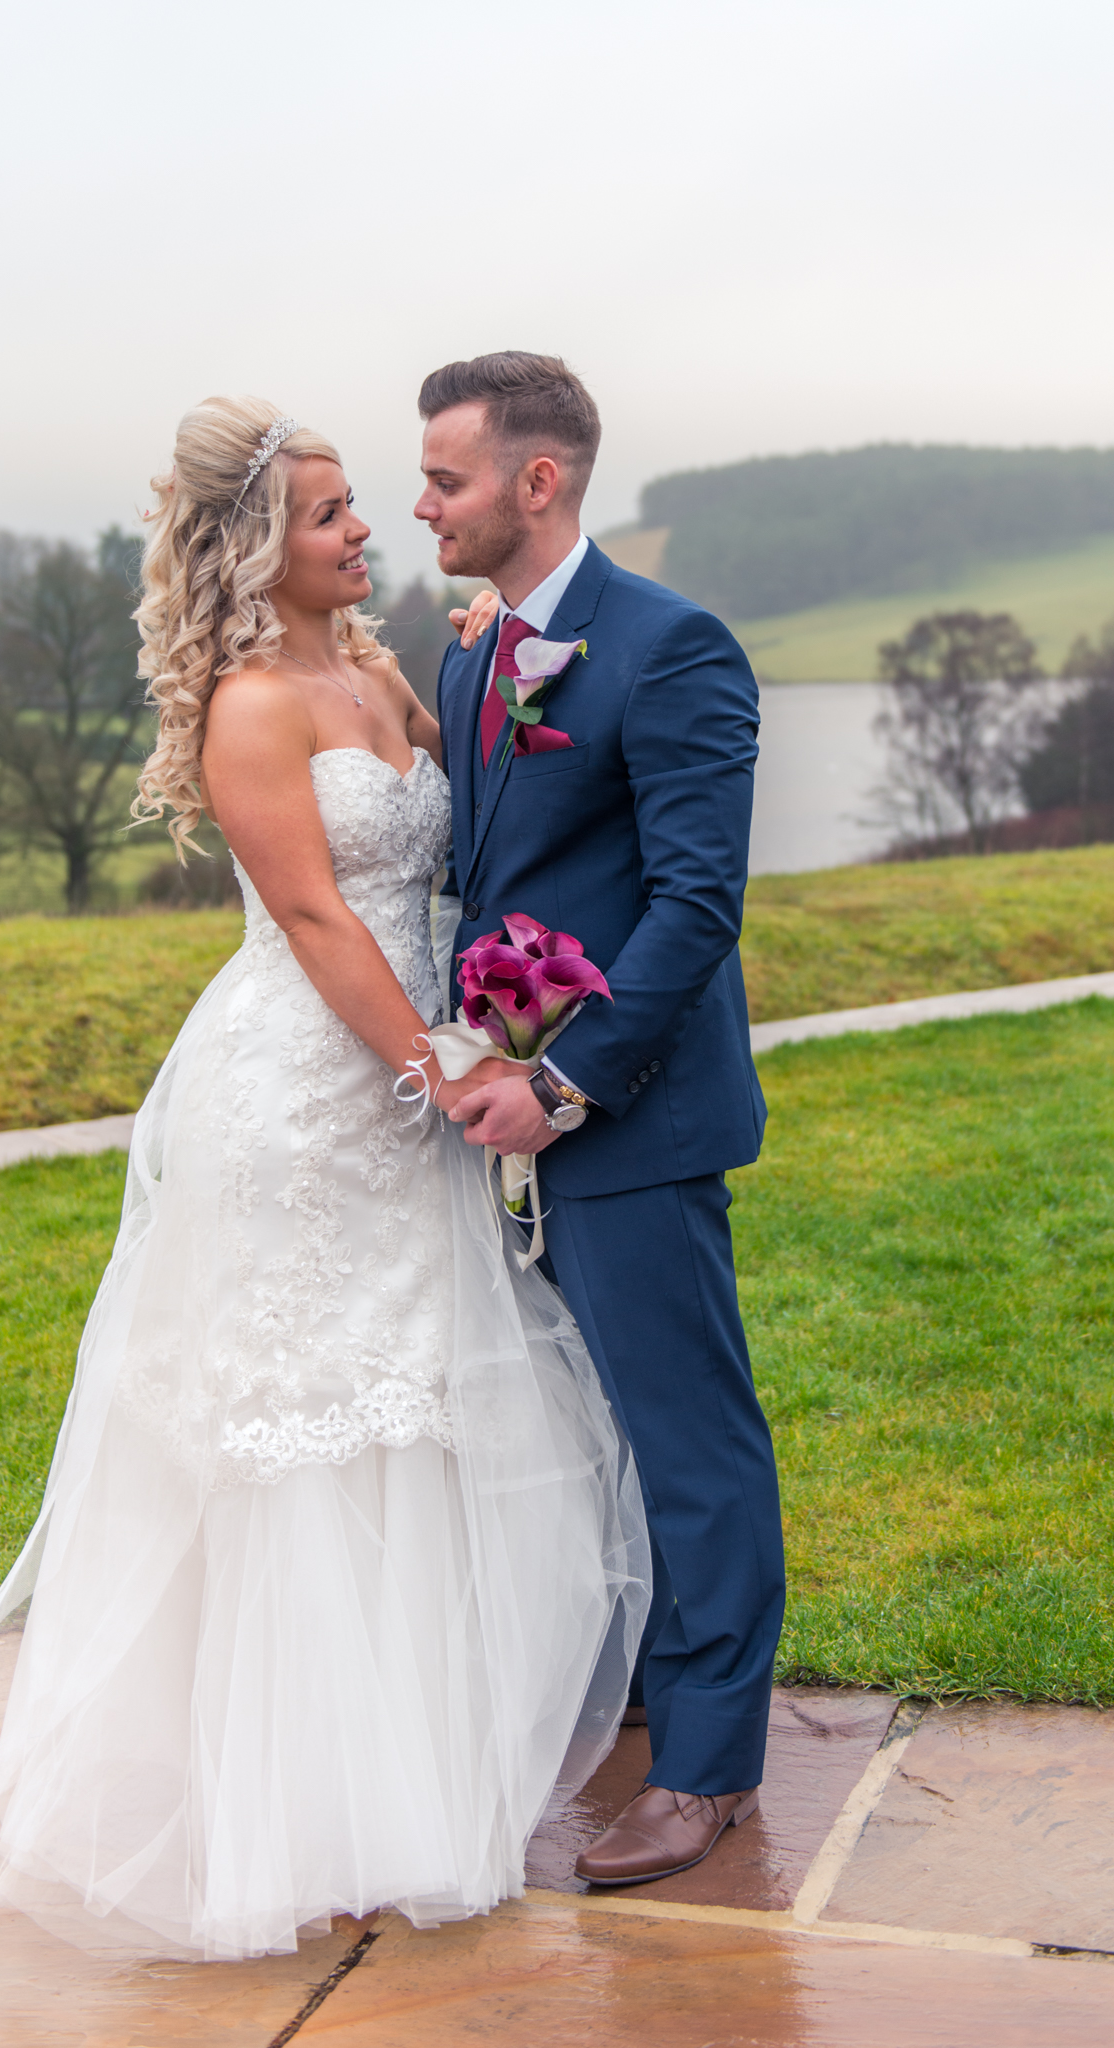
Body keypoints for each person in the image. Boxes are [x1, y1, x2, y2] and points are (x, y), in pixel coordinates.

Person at [0, 396, 648, 1961]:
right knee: (303, 1442)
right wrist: (443, 1066)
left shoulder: (385, 671)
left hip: (403, 1076)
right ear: (263, 545)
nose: (368, 529)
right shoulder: (256, 705)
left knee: (412, 1420)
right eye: (335, 511)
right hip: (306, 1096)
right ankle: (283, 1821)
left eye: (362, 504)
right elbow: (325, 922)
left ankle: (402, 1793)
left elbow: (446, 856)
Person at [420, 351, 785, 1884]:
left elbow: (697, 905)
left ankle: (708, 1768)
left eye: (446, 476)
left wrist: (564, 1085)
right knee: (586, 1439)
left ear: (538, 481)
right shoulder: (468, 654)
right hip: (504, 1112)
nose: (422, 503)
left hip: (625, 1120)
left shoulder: (673, 647)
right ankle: (638, 1687)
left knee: (686, 1435)